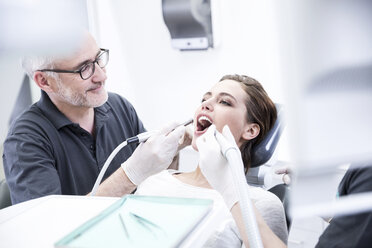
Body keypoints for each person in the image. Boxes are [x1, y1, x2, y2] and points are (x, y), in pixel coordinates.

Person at [2, 31, 186, 204]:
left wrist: (173, 148)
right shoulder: (25, 141)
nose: (101, 75)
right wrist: (131, 173)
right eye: (84, 68)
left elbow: (151, 180)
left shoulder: (118, 107)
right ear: (44, 81)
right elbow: (49, 227)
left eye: (99, 59)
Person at [135, 74, 288, 247]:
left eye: (224, 102)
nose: (205, 104)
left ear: (250, 131)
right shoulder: (154, 180)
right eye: (205, 99)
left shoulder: (261, 204)